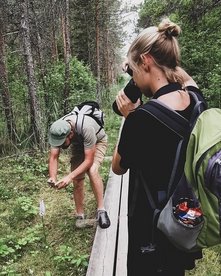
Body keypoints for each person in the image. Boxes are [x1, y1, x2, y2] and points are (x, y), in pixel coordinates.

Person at [112, 18, 206, 275]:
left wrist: (129, 117)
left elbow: (118, 167)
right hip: (184, 218)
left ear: (146, 61)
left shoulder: (141, 119)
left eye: (134, 67)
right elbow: (185, 77)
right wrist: (162, 60)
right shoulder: (196, 102)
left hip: (150, 230)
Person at [47, 108, 111, 229]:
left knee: (92, 170)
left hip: (97, 141)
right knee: (77, 179)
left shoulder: (86, 127)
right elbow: (53, 157)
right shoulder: (57, 130)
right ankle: (80, 216)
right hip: (79, 144)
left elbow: (88, 160)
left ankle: (101, 210)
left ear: (70, 134)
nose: (59, 145)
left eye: (62, 142)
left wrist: (69, 177)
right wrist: (53, 177)